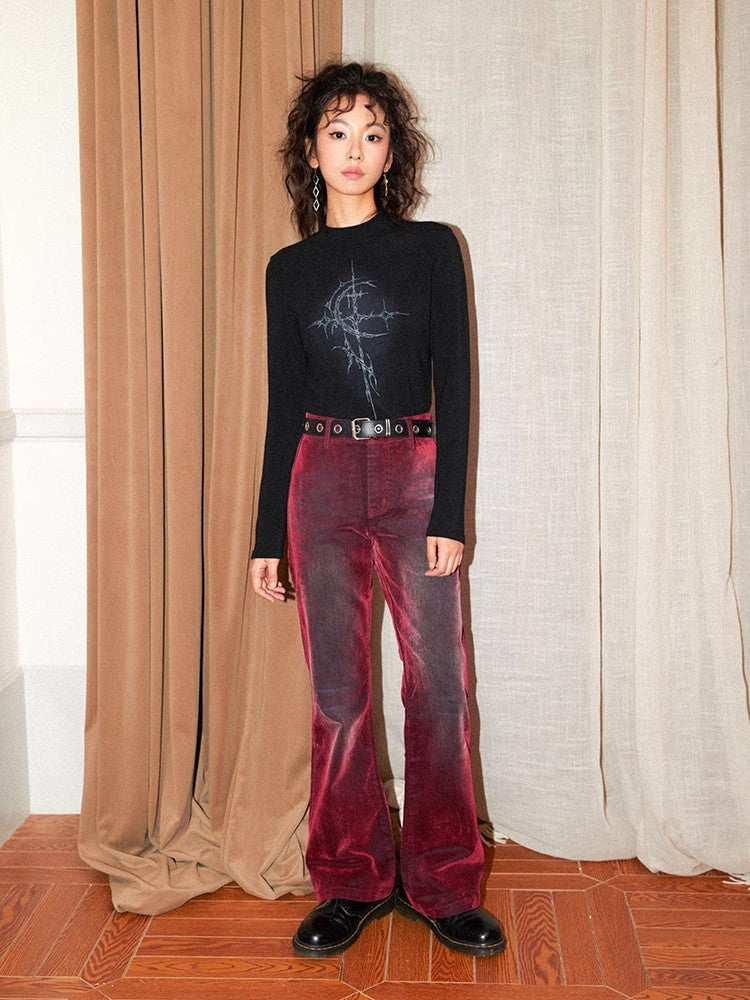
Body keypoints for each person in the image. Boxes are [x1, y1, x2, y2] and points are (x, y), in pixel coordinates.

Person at [250, 60, 506, 960]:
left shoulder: (432, 248)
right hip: (319, 480)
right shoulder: (289, 270)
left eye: (372, 133)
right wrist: (266, 533)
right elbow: (284, 403)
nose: (354, 149)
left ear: (391, 151)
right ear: (310, 151)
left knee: (439, 687)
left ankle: (444, 883)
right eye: (337, 132)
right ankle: (351, 878)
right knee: (338, 696)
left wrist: (449, 513)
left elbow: (458, 383)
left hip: (412, 473)